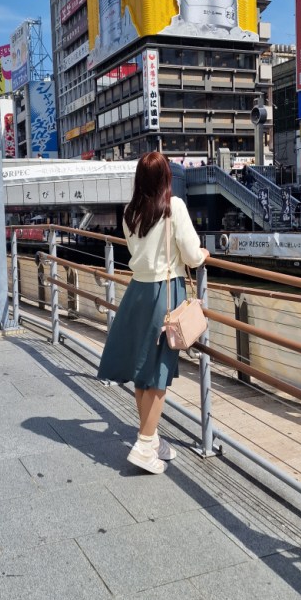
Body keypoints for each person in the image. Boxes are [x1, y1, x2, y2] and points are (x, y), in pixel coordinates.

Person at [97, 152, 208, 474]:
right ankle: (145, 444)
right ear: (166, 177)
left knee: (142, 368)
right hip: (165, 293)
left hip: (137, 292)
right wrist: (202, 254)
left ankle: (152, 437)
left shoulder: (130, 212)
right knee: (158, 371)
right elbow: (191, 255)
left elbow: (138, 252)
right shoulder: (174, 207)